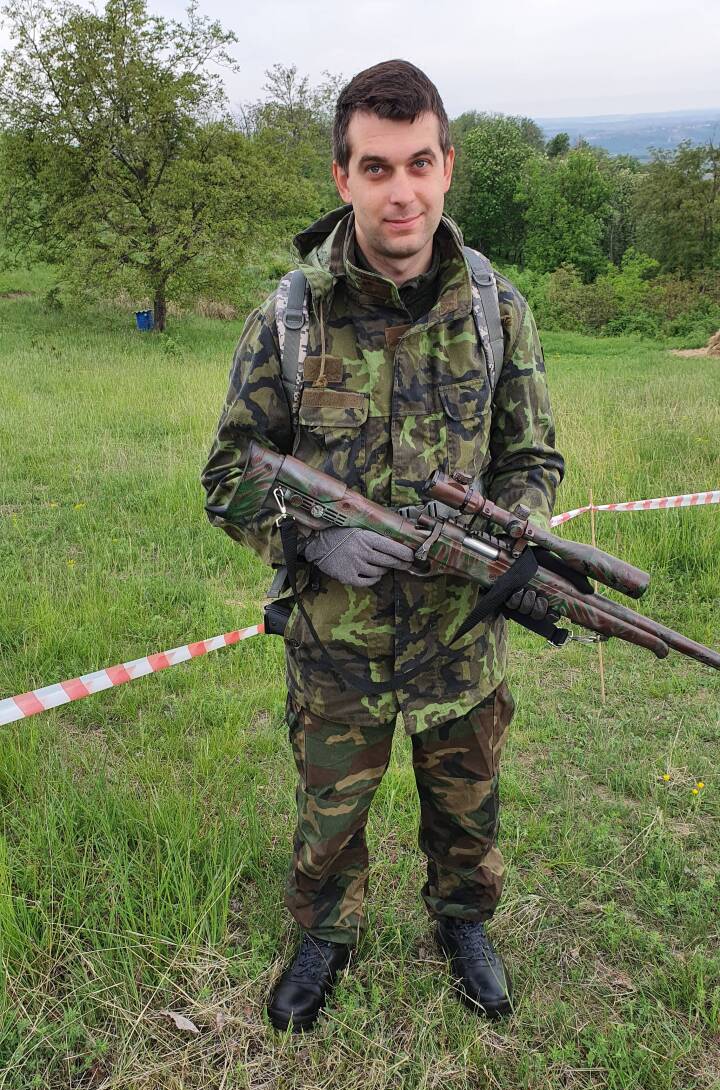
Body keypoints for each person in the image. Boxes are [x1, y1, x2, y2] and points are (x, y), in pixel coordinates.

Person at [201, 60, 564, 1034]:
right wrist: (307, 541)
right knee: (330, 817)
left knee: (466, 810)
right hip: (338, 649)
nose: (398, 190)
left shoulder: (497, 308)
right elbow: (228, 471)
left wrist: (512, 531)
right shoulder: (289, 316)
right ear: (343, 178)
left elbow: (532, 453)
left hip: (461, 638)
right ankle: (324, 931)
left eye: (417, 163)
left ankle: (462, 922)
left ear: (446, 167)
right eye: (375, 166)